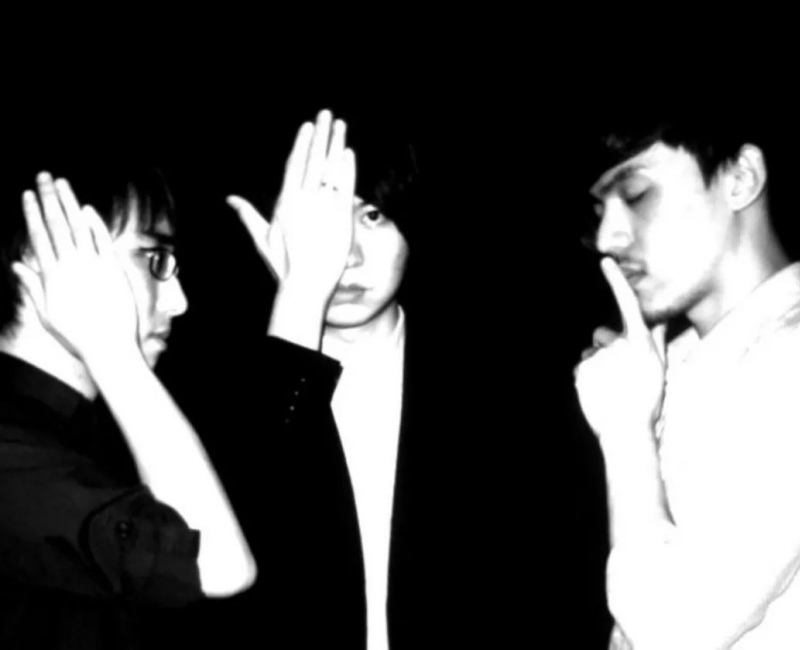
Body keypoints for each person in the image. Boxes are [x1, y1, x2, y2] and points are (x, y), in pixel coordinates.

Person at [227, 109, 471, 649]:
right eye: (321, 219)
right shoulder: (220, 390)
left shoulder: (492, 381)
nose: (346, 255)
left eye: (373, 216)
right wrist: (299, 295)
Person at [0, 160, 256, 648]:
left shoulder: (86, 434)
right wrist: (112, 350)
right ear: (47, 254)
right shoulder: (11, 452)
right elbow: (218, 565)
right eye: (153, 259)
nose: (179, 300)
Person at [574, 110, 800, 648]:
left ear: (740, 177)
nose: (607, 236)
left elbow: (671, 633)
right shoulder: (669, 365)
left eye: (636, 194)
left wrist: (627, 430)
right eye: (599, 210)